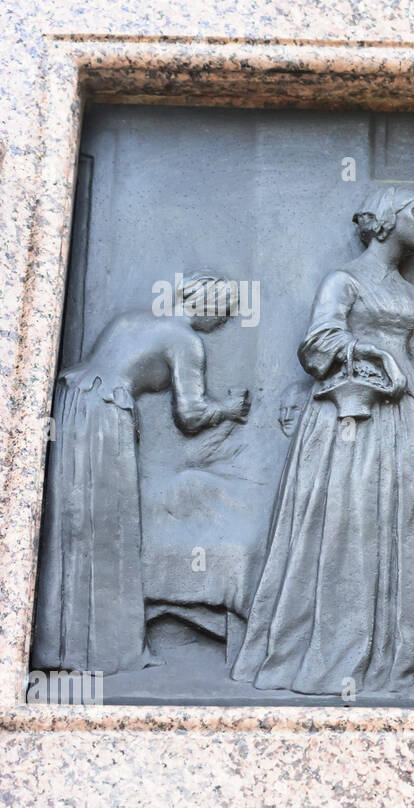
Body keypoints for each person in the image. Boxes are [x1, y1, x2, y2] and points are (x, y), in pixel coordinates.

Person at [232, 187, 414, 695]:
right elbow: (319, 342)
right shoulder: (343, 280)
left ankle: (387, 652)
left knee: (398, 521)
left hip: (405, 416)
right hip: (354, 418)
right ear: (388, 221)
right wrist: (373, 350)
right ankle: (330, 649)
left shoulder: (408, 294)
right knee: (349, 522)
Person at [32, 271, 250, 675]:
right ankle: (106, 651)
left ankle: (59, 644)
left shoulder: (130, 318)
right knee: (108, 529)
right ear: (211, 308)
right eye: (225, 312)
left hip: (71, 404)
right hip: (105, 417)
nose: (223, 322)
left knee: (73, 525)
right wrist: (229, 409)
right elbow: (190, 414)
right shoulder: (186, 340)